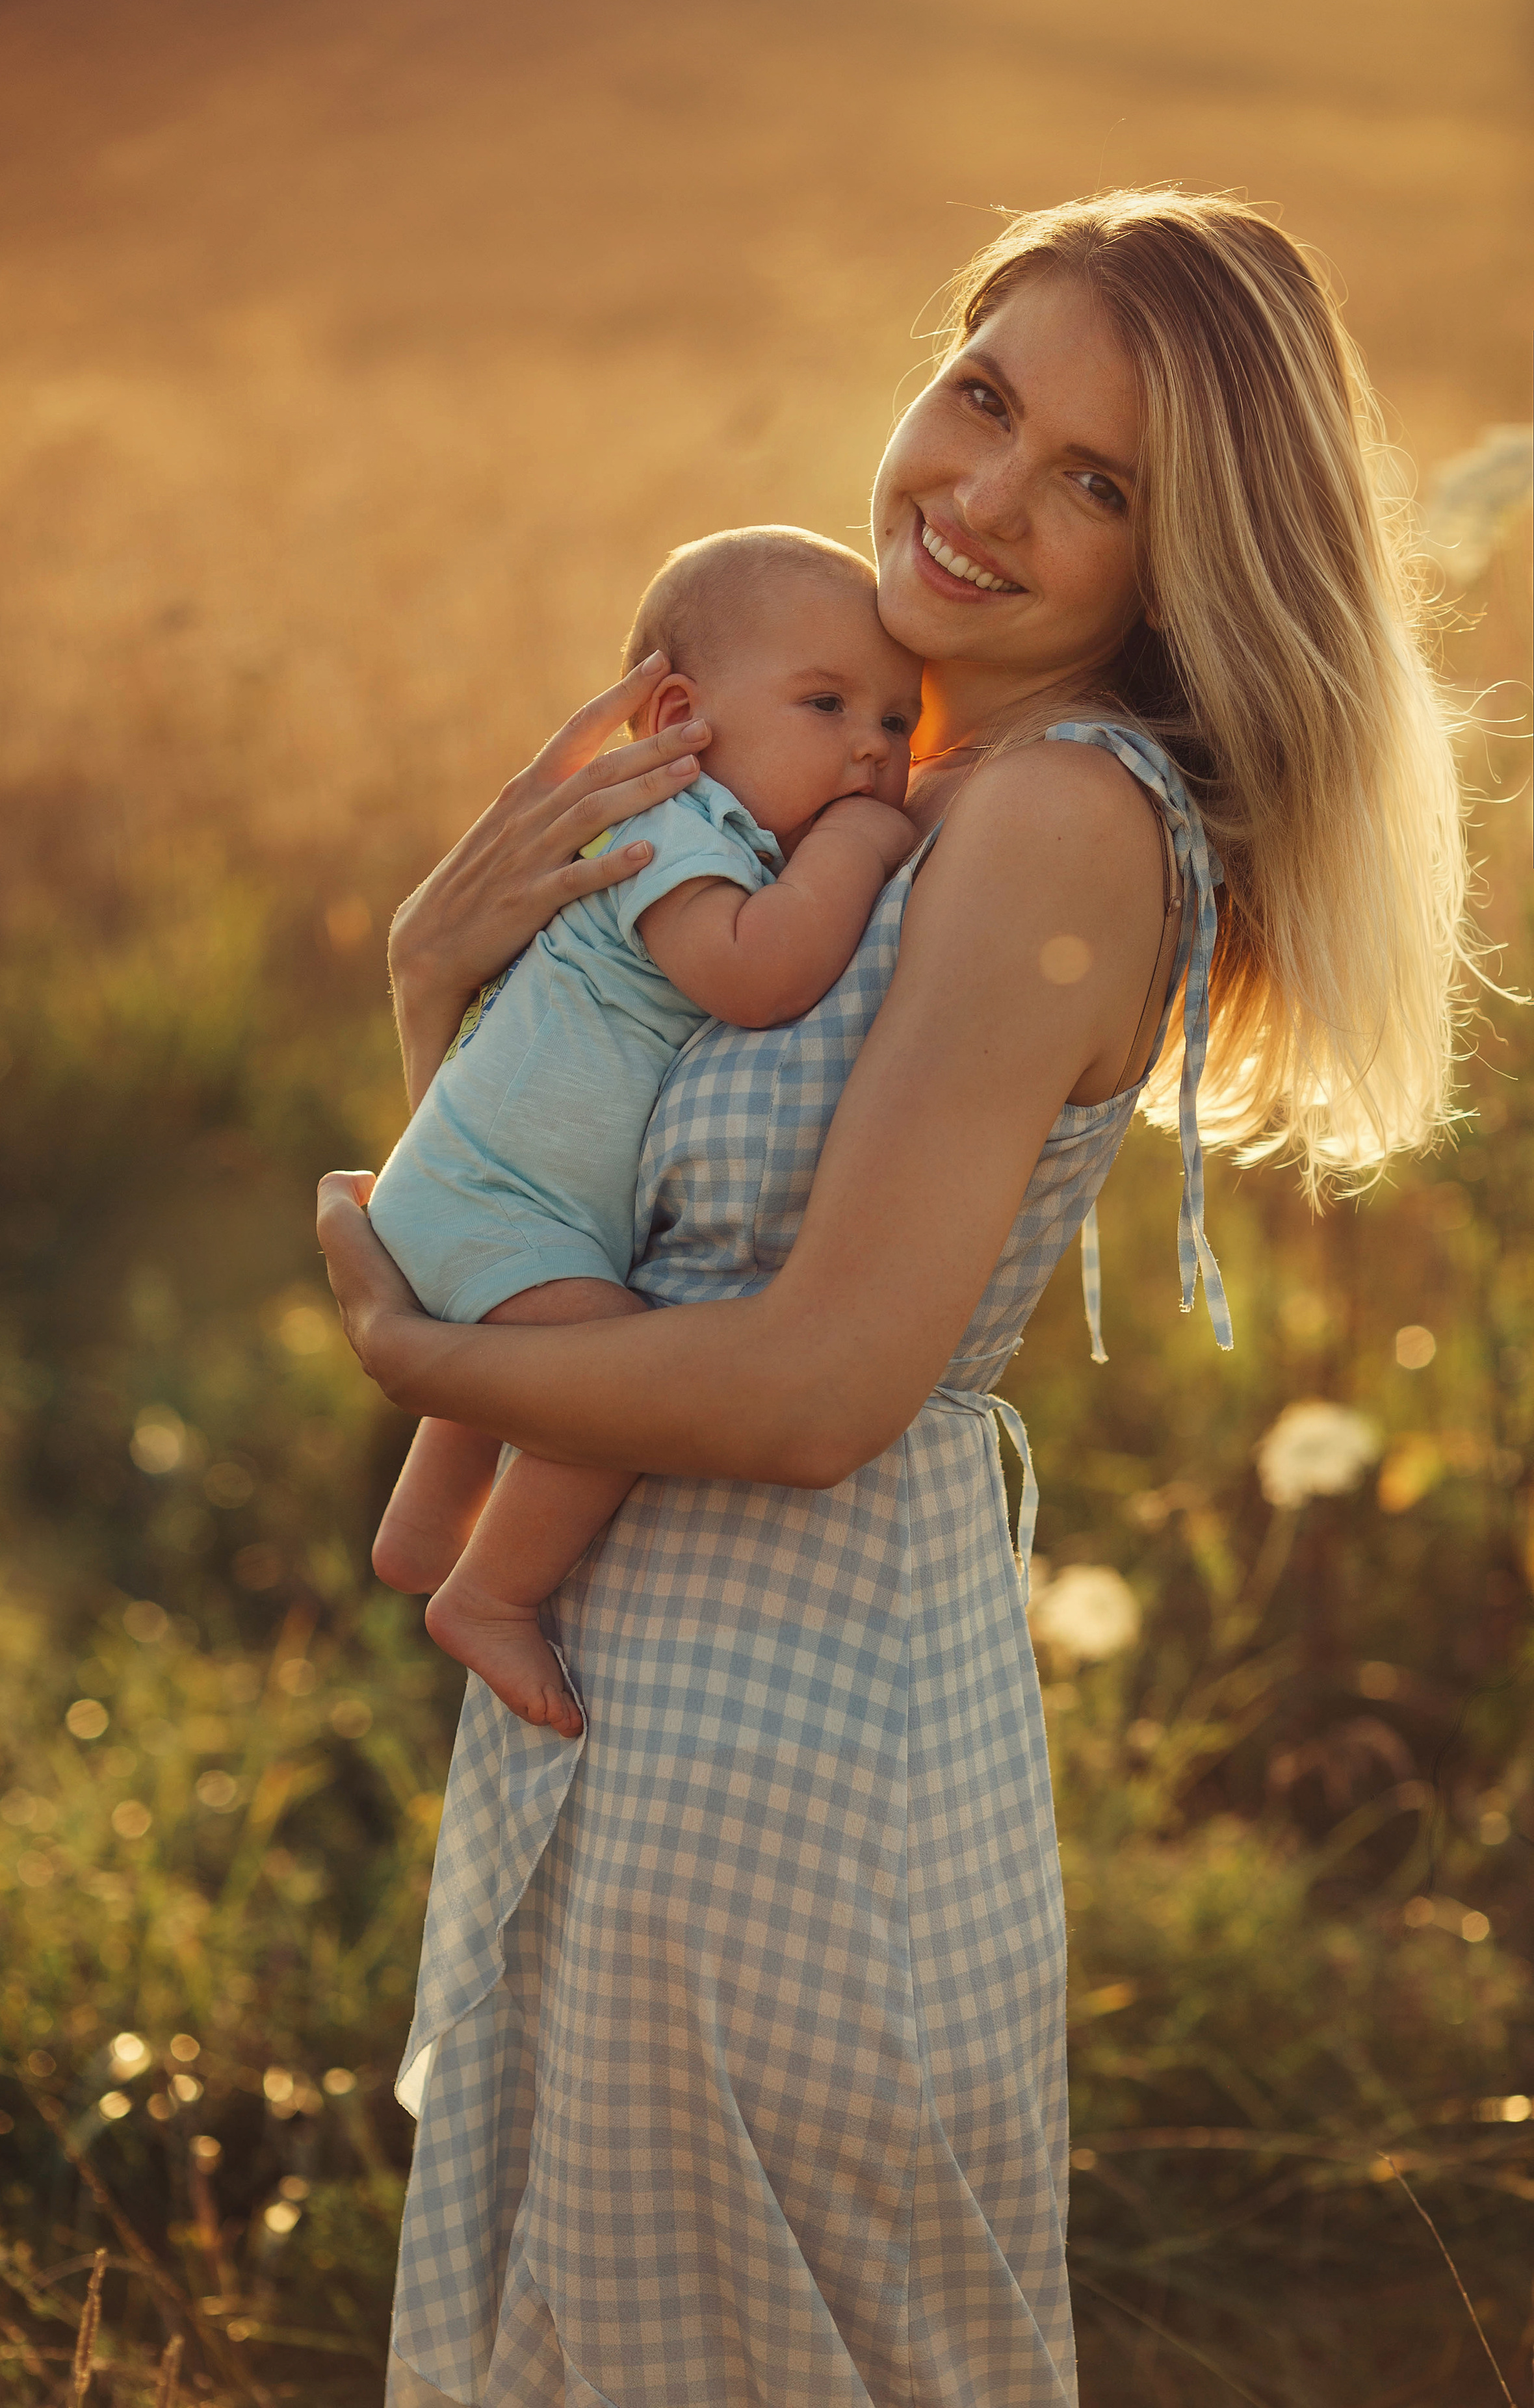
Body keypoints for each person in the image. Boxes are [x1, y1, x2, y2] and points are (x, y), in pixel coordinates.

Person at [317, 190, 1468, 2407]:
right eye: (985, 397)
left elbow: (827, 1380)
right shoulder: (847, 777)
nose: (985, 498)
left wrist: (404, 1355)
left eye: (1098, 485)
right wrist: (427, 992)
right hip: (633, 1688)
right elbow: (610, 1209)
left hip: (790, 1718)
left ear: (1182, 557)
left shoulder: (1054, 823)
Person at [365, 527, 920, 1737]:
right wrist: (860, 845)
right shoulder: (670, 831)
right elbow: (754, 975)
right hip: (499, 1198)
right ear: (678, 716)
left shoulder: (721, 839)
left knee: (530, 1344)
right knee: (608, 1378)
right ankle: (490, 1597)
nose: (873, 751)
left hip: (485, 1190)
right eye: (826, 705)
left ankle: (419, 1532)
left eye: (896, 723)